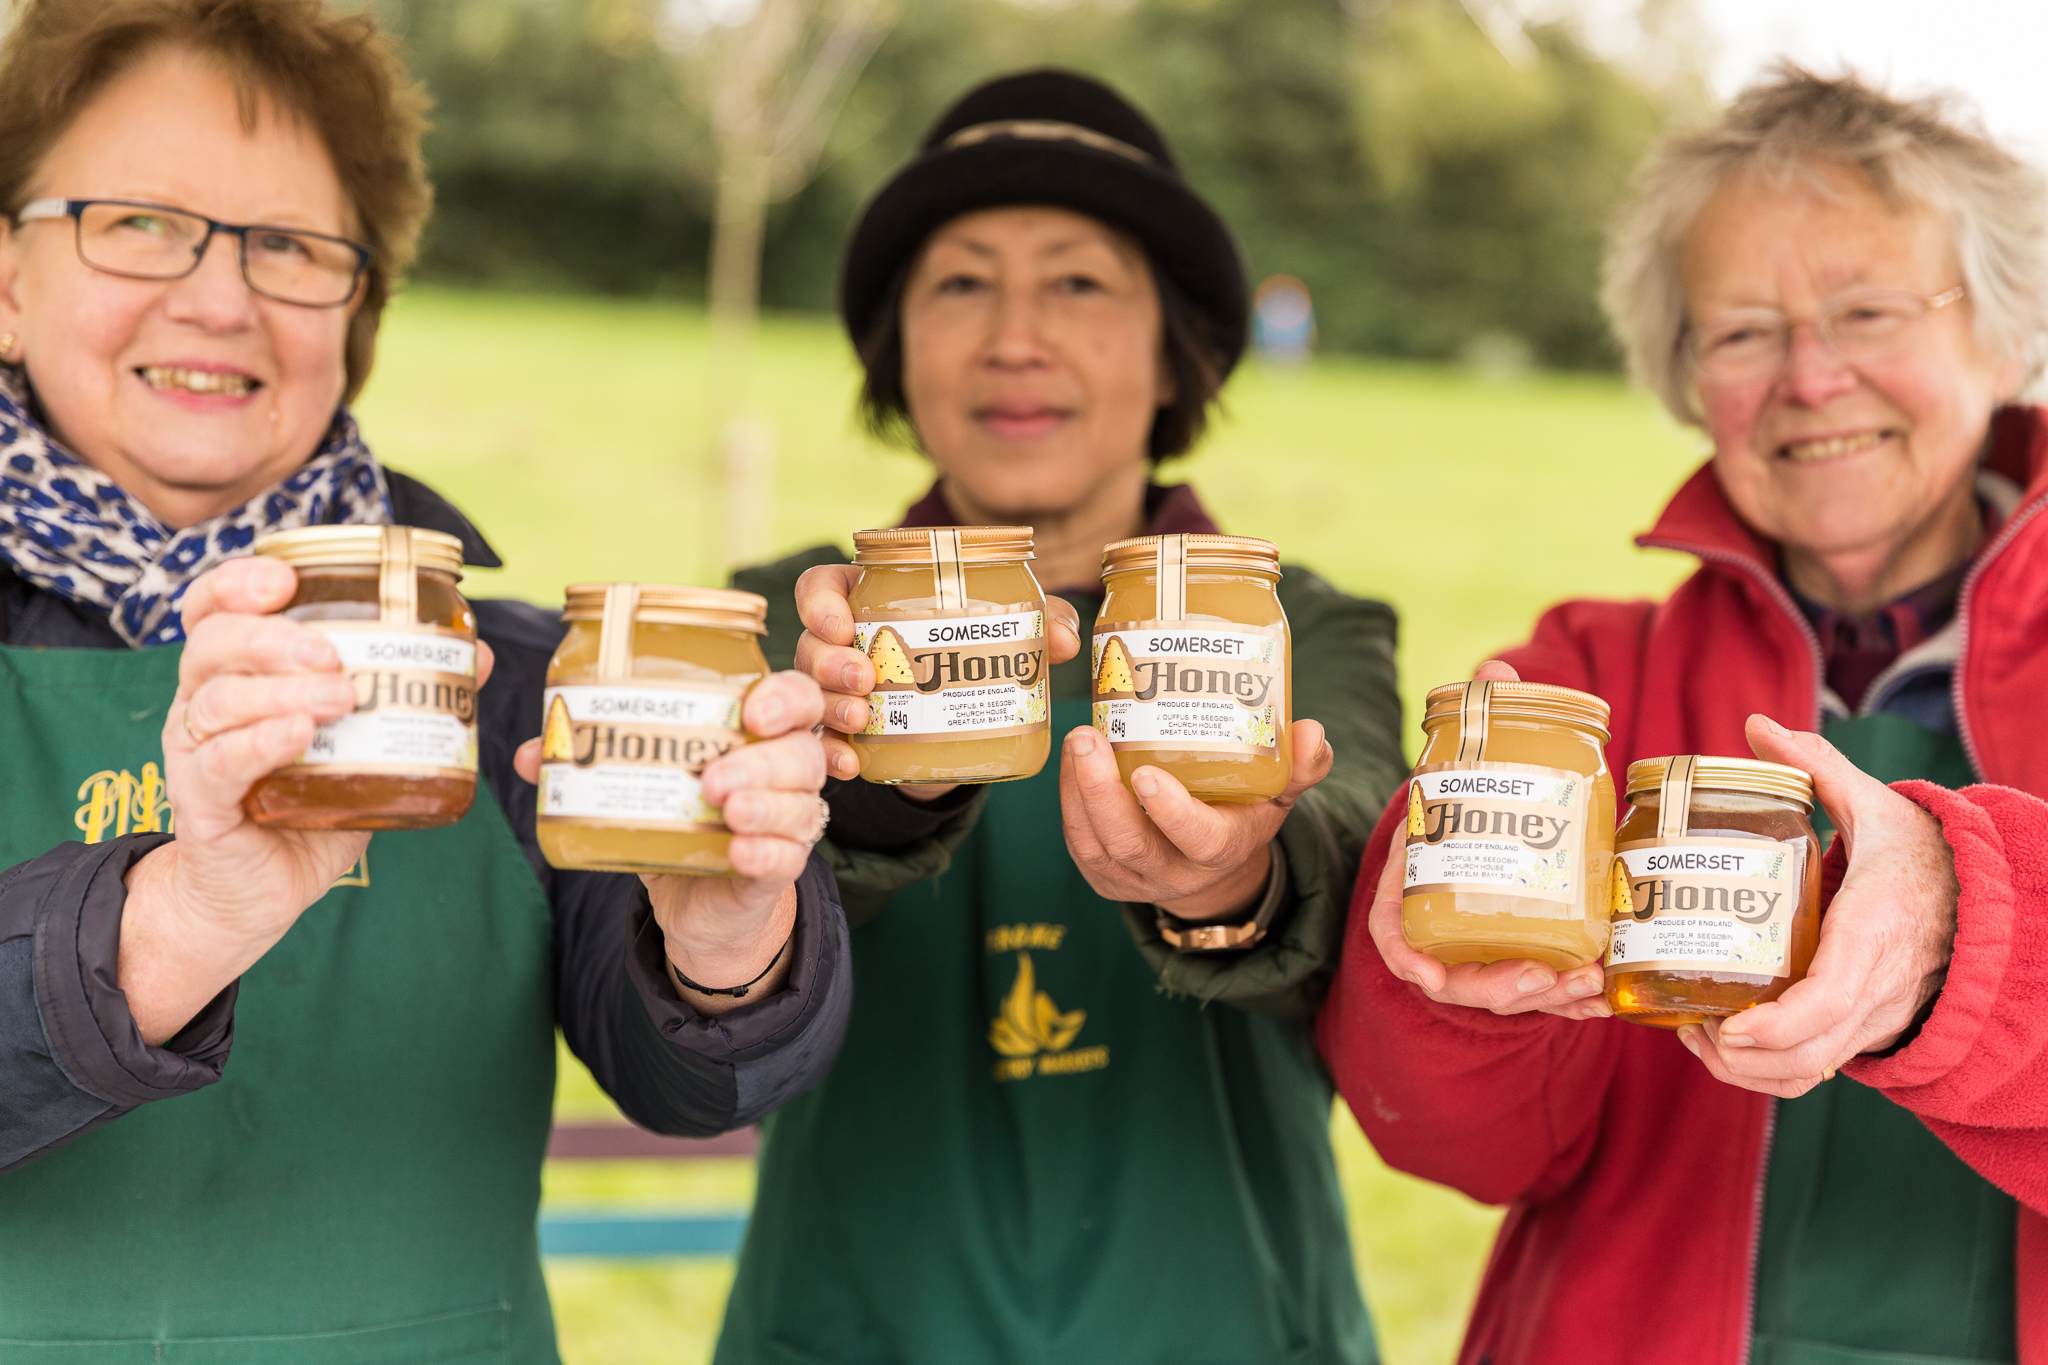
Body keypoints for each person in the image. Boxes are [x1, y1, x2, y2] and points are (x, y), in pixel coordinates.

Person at [0, 0, 850, 1356]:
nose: (218, 297)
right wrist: (169, 922)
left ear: (360, 312)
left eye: (288, 245)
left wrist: (725, 948)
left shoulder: (511, 682)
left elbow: (704, 1082)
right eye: (138, 221)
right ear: (8, 277)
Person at [1320, 66, 2048, 1365]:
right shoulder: (1579, 687)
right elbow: (1466, 1149)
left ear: (2006, 337)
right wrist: (1458, 998)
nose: (1812, 378)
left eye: (1867, 309)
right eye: (1744, 331)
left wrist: (1955, 929)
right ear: (1684, 374)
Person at [711, 69, 1406, 1364]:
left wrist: (1239, 875)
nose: (1014, 337)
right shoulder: (780, 625)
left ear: (1172, 348)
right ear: (895, 346)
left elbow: (1356, 858)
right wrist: (867, 773)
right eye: (961, 283)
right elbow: (701, 949)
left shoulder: (1302, 631)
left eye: (1080, 283)